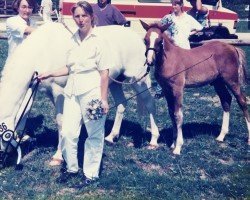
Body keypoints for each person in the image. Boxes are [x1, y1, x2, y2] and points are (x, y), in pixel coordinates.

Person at [38, 1, 111, 188]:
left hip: (92, 92)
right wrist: (50, 73)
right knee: (68, 132)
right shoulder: (72, 39)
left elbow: (104, 73)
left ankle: (91, 174)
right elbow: (70, 67)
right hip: (71, 90)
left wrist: (103, 99)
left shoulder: (99, 40)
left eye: (84, 15)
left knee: (94, 133)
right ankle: (72, 169)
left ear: (91, 17)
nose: (80, 20)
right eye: (77, 16)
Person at [155, 0, 203, 98]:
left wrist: (190, 33)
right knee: (164, 68)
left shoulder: (188, 18)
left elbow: (200, 27)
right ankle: (160, 90)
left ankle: (180, 87)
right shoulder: (168, 18)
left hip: (184, 48)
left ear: (181, 5)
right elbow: (159, 28)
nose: (173, 6)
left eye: (176, 4)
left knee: (182, 71)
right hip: (170, 49)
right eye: (172, 4)